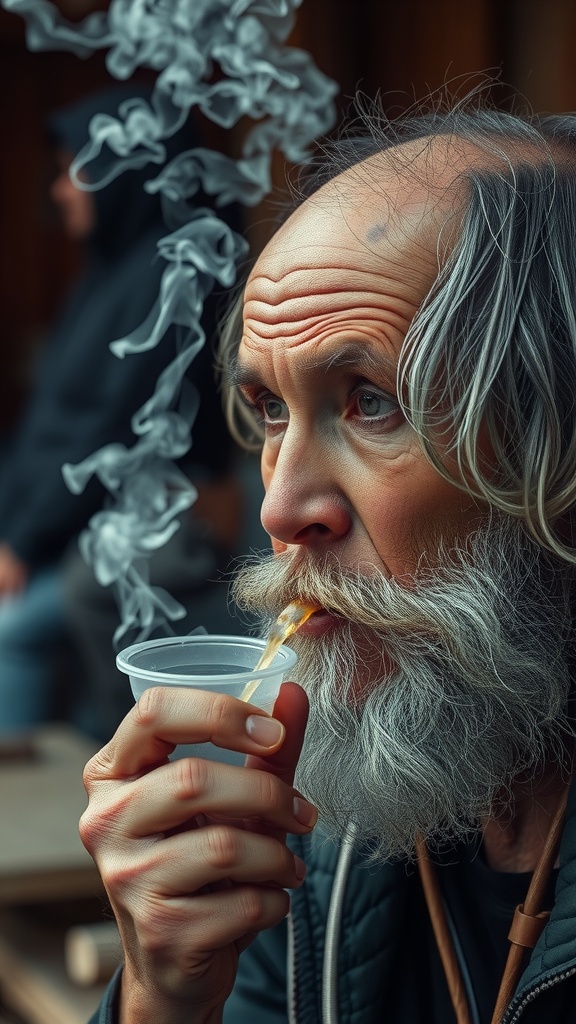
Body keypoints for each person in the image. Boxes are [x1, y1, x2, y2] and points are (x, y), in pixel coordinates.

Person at [81, 94, 576, 1024]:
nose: (280, 506)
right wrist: (161, 997)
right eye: (270, 409)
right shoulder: (330, 805)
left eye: (371, 401)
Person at [0, 83, 239, 736]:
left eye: (71, 172)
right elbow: (54, 423)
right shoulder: (106, 275)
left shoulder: (173, 276)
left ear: (119, 172)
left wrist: (22, 541)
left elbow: (112, 430)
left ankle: (125, 767)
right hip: (84, 519)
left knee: (10, 627)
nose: (59, 191)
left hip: (160, 519)